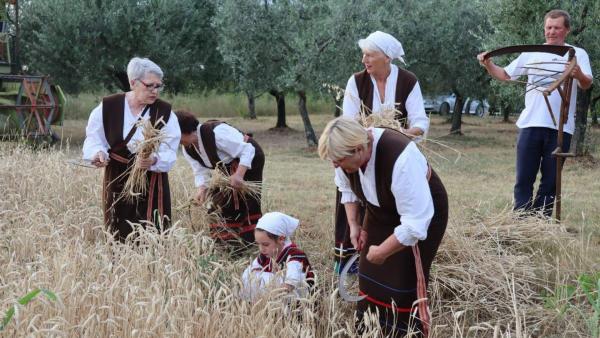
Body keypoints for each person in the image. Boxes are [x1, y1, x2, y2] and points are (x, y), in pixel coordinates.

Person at [318, 117, 448, 337]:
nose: (334, 165)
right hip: (381, 210)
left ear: (359, 149)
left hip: (420, 215)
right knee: (369, 273)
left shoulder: (400, 157)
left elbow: (415, 224)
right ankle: (370, 331)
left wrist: (383, 251)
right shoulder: (345, 156)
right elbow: (346, 188)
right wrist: (353, 225)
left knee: (402, 278)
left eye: (338, 160)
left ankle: (404, 332)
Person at [477, 9, 593, 216]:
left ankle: (541, 223)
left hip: (561, 127)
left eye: (557, 28)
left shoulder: (577, 53)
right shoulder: (531, 53)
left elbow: (587, 83)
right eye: (549, 27)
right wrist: (489, 64)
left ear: (566, 30)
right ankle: (521, 220)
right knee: (524, 178)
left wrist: (578, 74)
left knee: (550, 182)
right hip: (530, 124)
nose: (552, 32)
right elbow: (505, 75)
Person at [334, 31, 430, 274]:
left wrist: (397, 134)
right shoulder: (355, 82)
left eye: (370, 55)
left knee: (396, 204)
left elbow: (421, 122)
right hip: (361, 153)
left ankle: (389, 257)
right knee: (353, 195)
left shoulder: (408, 81)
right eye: (363, 54)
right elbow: (348, 123)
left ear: (387, 57)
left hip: (393, 156)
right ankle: (353, 260)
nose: (364, 60)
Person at [82, 57, 180, 242]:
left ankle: (152, 267)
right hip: (117, 177)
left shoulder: (165, 113)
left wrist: (154, 160)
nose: (155, 91)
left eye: (158, 86)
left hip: (152, 179)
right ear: (133, 83)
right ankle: (121, 267)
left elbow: (170, 150)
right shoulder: (108, 107)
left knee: (153, 230)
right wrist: (98, 153)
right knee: (117, 227)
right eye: (150, 85)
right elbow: (94, 139)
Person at [175, 110, 264, 253]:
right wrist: (202, 189)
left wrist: (239, 175)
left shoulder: (217, 134)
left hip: (249, 159)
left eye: (176, 135)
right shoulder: (188, 148)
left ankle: (249, 243)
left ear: (184, 130)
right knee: (219, 201)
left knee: (246, 201)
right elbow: (200, 171)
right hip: (227, 167)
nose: (176, 140)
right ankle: (227, 244)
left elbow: (247, 150)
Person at [241, 212, 315, 301]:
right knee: (249, 273)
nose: (261, 249)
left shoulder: (294, 255)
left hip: (297, 298)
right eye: (258, 244)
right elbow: (254, 268)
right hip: (275, 297)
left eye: (265, 244)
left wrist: (273, 295)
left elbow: (292, 281)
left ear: (281, 239)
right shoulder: (266, 254)